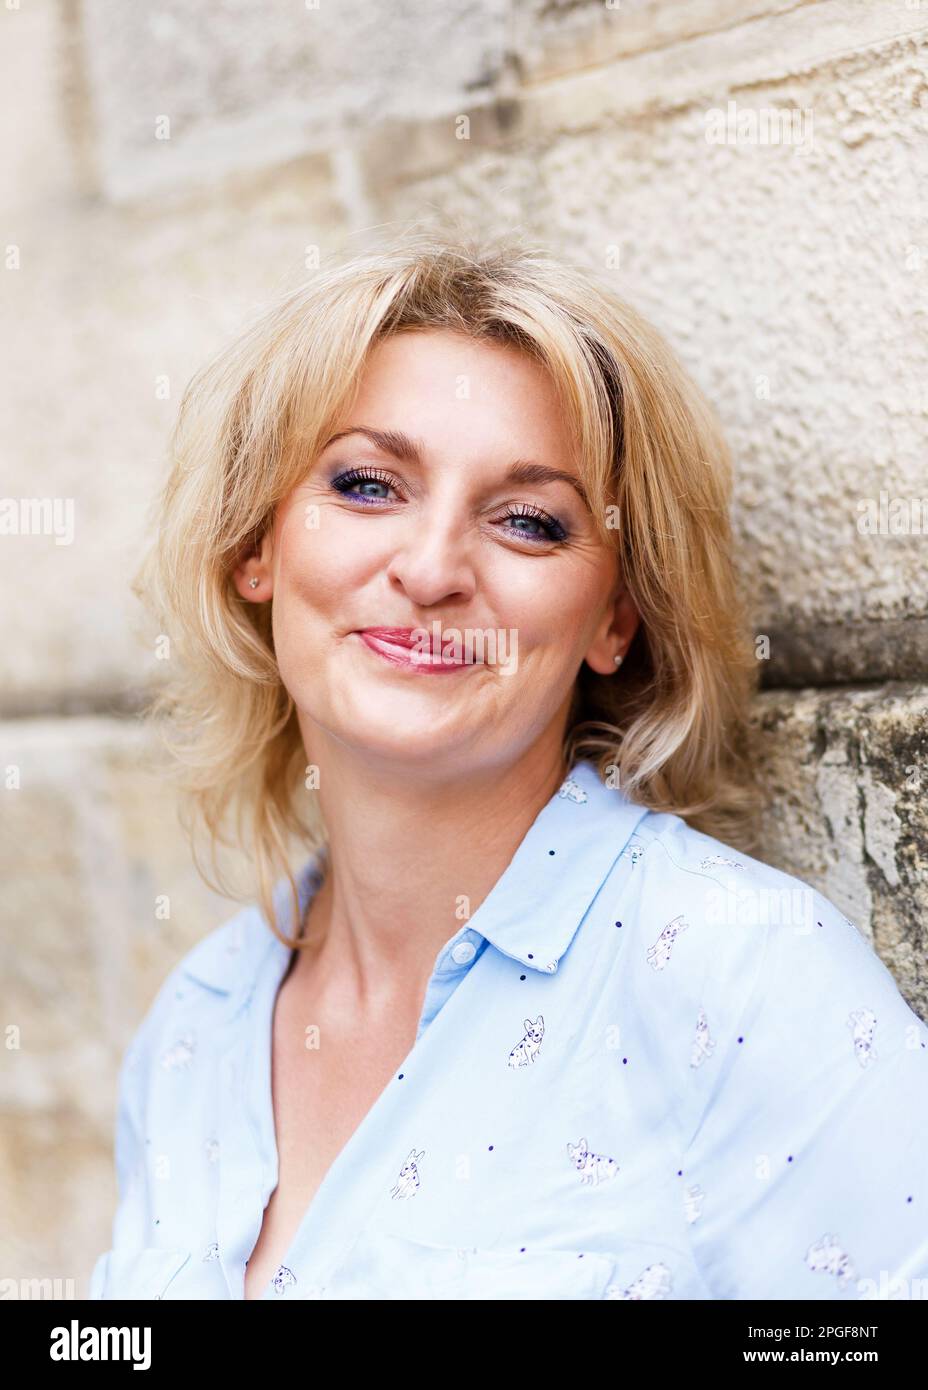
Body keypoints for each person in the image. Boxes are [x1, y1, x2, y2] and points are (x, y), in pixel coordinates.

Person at [89, 231, 928, 1301]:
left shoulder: (738, 979)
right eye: (366, 484)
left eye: (528, 521)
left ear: (614, 618)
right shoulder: (194, 1025)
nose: (432, 569)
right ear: (258, 545)